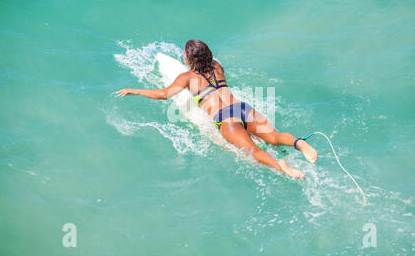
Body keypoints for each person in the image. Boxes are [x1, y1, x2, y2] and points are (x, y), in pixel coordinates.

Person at [116, 39, 318, 179]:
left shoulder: (187, 78)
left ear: (188, 60)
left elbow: (164, 94)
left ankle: (281, 167)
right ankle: (300, 144)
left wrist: (135, 90)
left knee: (252, 149)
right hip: (241, 108)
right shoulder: (217, 65)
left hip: (225, 119)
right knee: (274, 136)